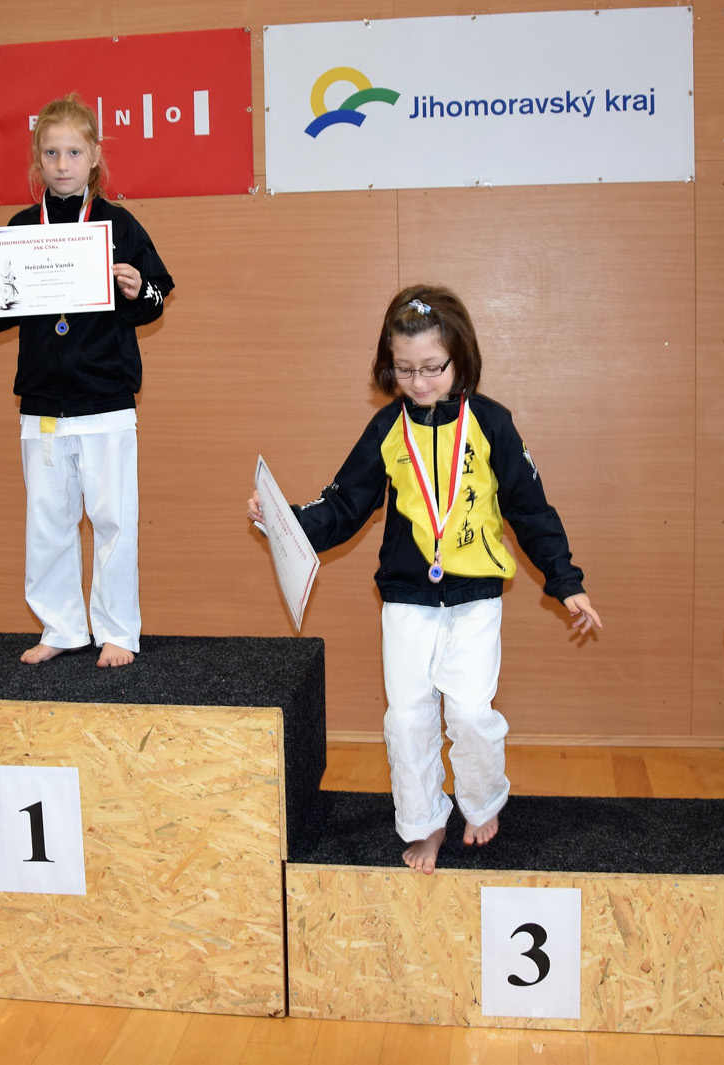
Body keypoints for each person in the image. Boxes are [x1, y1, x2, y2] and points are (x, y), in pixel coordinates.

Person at [248, 286, 600, 873]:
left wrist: (567, 581)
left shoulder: (492, 424)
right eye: (404, 369)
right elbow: (344, 505)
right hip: (407, 598)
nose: (419, 382)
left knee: (469, 714)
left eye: (433, 367)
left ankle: (481, 801)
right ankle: (425, 821)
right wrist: (282, 520)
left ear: (461, 358)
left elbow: (531, 510)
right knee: (407, 717)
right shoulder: (387, 428)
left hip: (475, 597)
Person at [0, 93, 175, 668]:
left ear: (95, 156)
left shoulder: (119, 225)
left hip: (106, 400)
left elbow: (156, 296)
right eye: (52, 153)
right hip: (43, 405)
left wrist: (136, 289)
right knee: (48, 523)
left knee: (114, 522)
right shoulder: (18, 229)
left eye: (74, 152)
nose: (63, 164)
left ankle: (117, 630)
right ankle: (61, 626)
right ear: (38, 159)